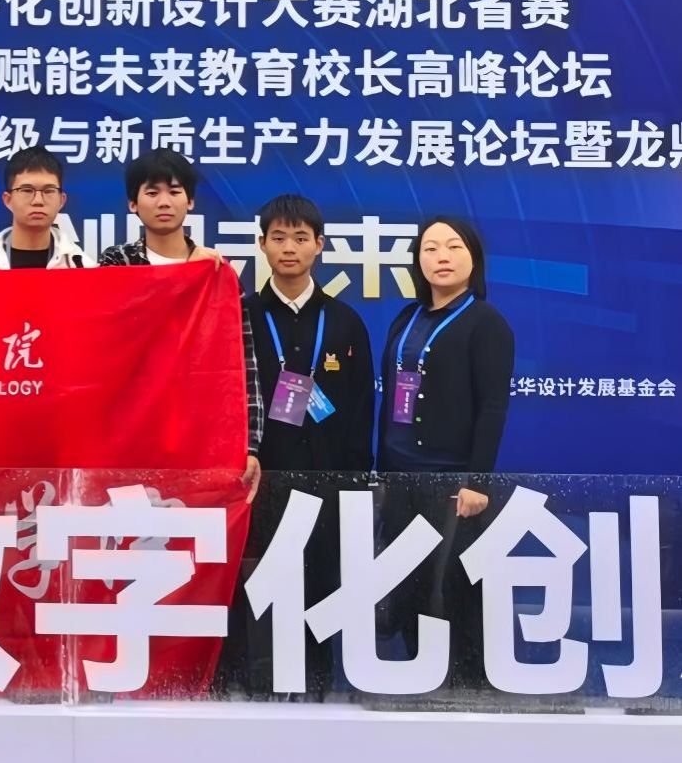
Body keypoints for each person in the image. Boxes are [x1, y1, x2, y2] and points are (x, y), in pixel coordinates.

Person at [214, 194, 375, 699]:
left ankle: (317, 685)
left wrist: (355, 479)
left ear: (319, 245)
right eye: (278, 238)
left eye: (300, 238)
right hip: (261, 479)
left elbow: (361, 408)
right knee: (259, 581)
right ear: (261, 245)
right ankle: (258, 682)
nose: (289, 248)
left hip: (328, 481)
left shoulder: (345, 321)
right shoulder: (241, 314)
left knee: (321, 581)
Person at [377, 215, 514, 691]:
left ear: (473, 258)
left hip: (454, 483)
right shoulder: (406, 318)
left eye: (454, 247)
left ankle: (468, 685)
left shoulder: (486, 323)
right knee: (409, 583)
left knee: (454, 585)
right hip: (401, 478)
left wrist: (477, 481)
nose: (442, 257)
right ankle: (423, 677)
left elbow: (493, 408)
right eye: (431, 248)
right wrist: (382, 471)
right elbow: (392, 398)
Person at [97, 148, 264, 499]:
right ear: (133, 203)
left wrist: (250, 444)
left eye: (174, 191)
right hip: (131, 434)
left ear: (190, 201)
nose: (164, 201)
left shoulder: (217, 275)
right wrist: (184, 275)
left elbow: (243, 364)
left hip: (199, 432)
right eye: (152, 192)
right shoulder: (116, 264)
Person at [0, 146, 87, 269]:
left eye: (48, 191)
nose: (38, 201)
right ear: (8, 200)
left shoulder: (80, 264)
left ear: (61, 200)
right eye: (27, 190)